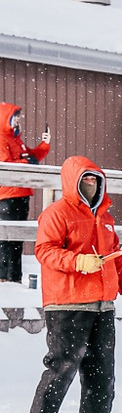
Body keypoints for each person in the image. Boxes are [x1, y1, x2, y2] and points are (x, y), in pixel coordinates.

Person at [22, 156, 122, 413]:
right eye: (85, 179)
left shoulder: (106, 219)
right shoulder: (56, 214)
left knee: (102, 370)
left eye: (95, 179)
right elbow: (44, 251)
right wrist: (78, 261)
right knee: (62, 366)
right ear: (72, 182)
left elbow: (116, 257)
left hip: (103, 304)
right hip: (67, 303)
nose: (91, 184)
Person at [0, 102, 51, 283]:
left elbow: (32, 157)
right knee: (6, 238)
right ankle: (4, 278)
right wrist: (26, 162)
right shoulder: (1, 138)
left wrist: (45, 144)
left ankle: (14, 277)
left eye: (19, 117)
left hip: (21, 194)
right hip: (7, 196)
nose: (18, 120)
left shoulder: (16, 140)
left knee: (17, 238)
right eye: (15, 116)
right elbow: (6, 166)